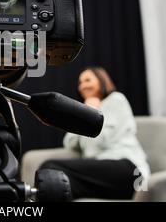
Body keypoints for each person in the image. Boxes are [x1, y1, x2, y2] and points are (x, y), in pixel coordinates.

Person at [40, 67, 150, 200]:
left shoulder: (115, 100)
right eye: (80, 82)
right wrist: (84, 113)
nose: (83, 85)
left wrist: (91, 111)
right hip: (103, 176)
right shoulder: (87, 108)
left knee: (51, 169)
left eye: (87, 80)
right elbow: (69, 143)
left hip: (130, 170)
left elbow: (98, 141)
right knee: (57, 185)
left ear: (101, 81)